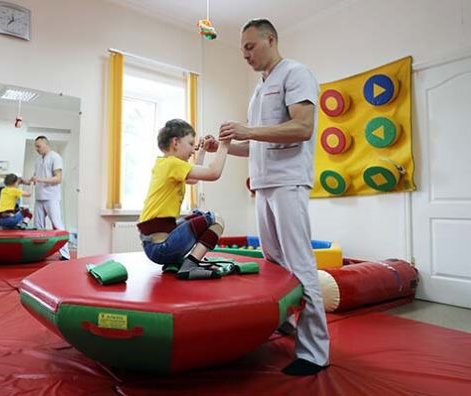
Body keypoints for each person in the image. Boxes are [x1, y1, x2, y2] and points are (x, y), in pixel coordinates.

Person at [206, 19, 330, 376]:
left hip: (289, 182)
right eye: (241, 49)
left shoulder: (296, 73)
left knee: (300, 264)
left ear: (270, 39)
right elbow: (258, 141)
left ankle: (314, 352)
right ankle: (286, 323)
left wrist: (247, 130)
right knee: (274, 264)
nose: (244, 54)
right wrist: (226, 147)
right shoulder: (259, 89)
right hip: (262, 184)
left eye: (249, 46)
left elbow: (302, 127)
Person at [137, 119, 231, 280]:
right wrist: (225, 143)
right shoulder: (173, 164)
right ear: (175, 142)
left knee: (198, 215)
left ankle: (185, 262)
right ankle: (191, 265)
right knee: (216, 219)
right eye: (190, 143)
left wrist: (202, 151)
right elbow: (213, 172)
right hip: (162, 247)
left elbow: (192, 179)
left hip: (154, 245)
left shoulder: (165, 164)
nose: (192, 150)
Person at [25, 136, 70, 260]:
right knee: (38, 227)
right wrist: (23, 181)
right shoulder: (38, 160)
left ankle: (65, 254)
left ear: (46, 144)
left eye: (38, 146)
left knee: (57, 225)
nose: (36, 149)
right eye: (35, 146)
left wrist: (39, 179)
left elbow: (58, 178)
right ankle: (39, 253)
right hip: (39, 197)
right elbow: (34, 177)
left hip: (51, 197)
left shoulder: (55, 157)